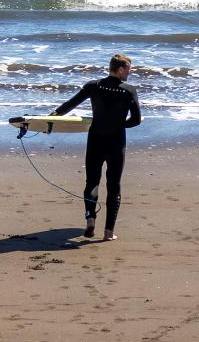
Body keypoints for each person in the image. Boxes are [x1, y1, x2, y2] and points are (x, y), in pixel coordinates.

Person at [51, 53, 141, 241]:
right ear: (121, 69)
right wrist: (118, 124)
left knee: (92, 181)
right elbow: (136, 120)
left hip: (95, 140)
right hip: (116, 143)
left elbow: (70, 105)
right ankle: (108, 232)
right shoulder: (129, 91)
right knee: (113, 186)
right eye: (129, 70)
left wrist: (51, 117)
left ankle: (90, 220)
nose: (130, 73)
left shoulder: (94, 86)